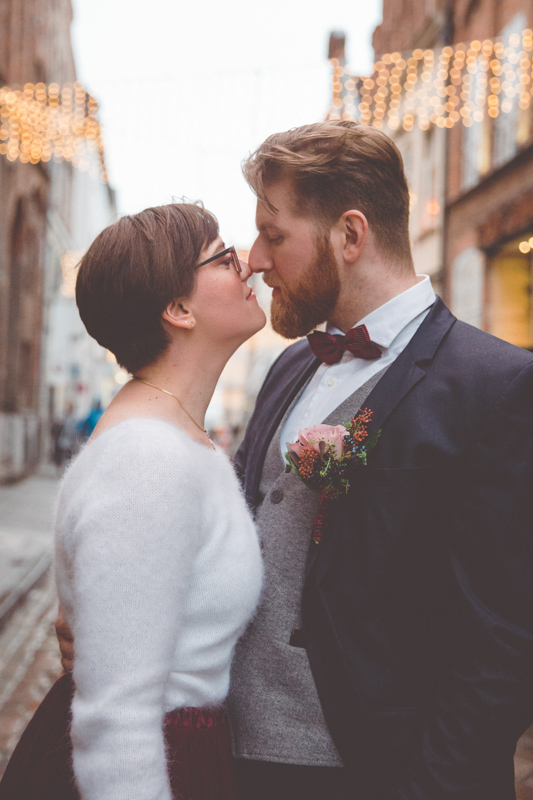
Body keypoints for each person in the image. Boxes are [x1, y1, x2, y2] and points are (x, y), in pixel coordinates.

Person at [225, 121, 533, 800]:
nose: (254, 258)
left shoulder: (498, 386)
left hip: (368, 774)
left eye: (274, 234)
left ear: (350, 235)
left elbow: (504, 641)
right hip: (236, 760)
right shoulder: (287, 368)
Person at [0, 203, 265, 800]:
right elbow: (115, 716)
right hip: (153, 762)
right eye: (224, 257)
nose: (247, 263)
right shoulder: (148, 458)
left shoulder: (175, 438)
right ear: (178, 310)